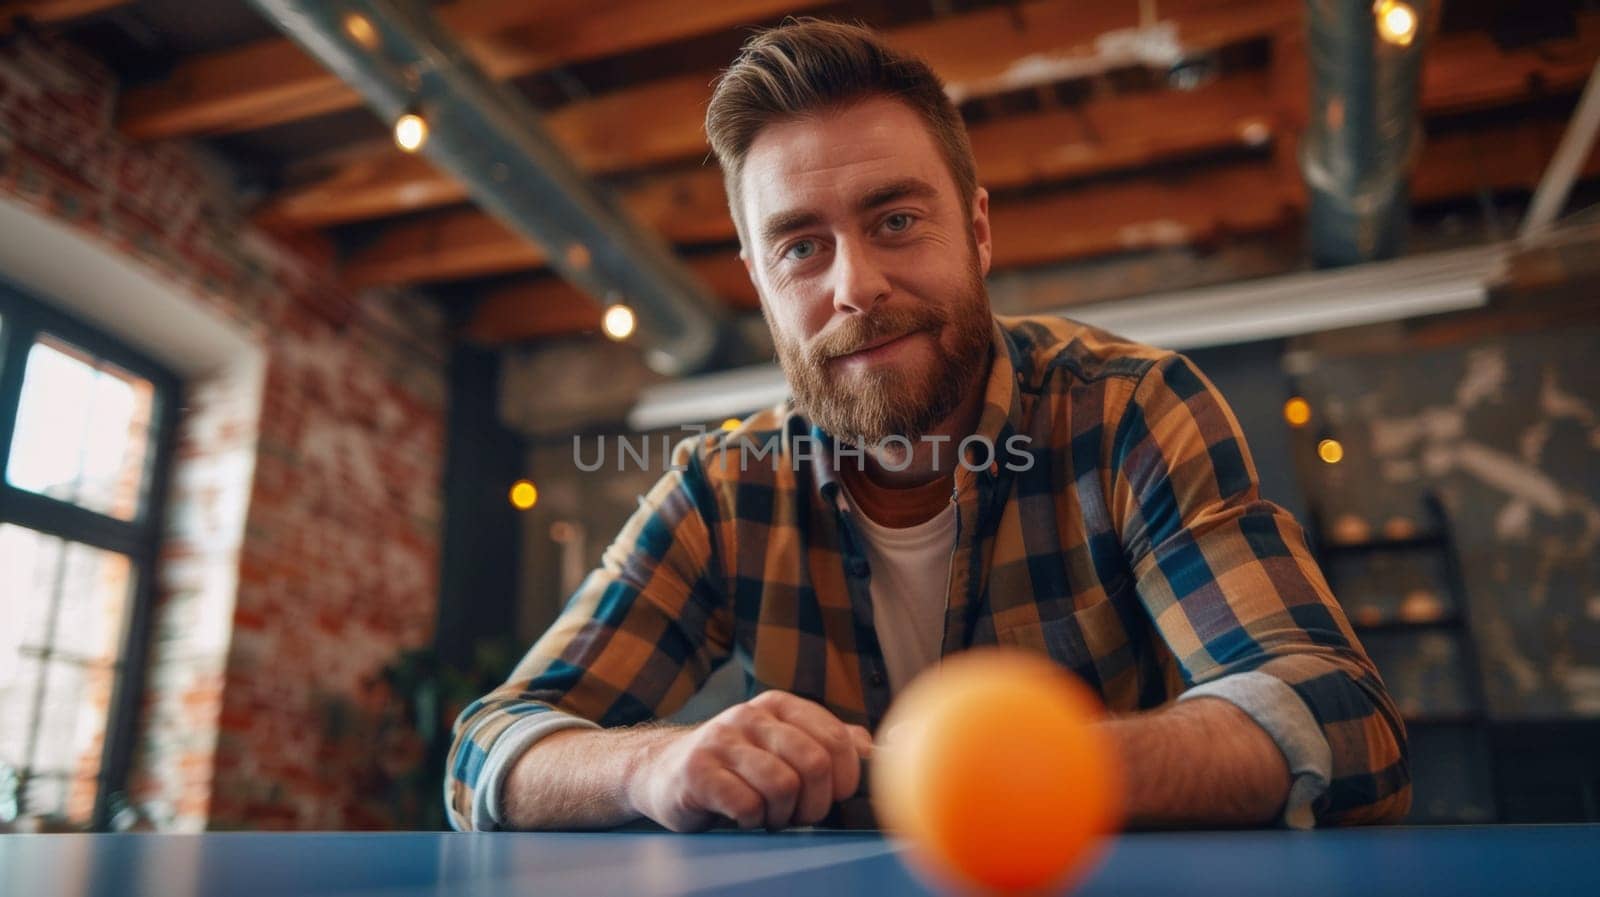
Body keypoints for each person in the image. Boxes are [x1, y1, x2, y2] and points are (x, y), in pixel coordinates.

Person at [445, 19, 1410, 834]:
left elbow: (1343, 720)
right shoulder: (721, 491)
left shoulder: (1129, 413)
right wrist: (648, 768)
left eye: (896, 220)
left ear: (978, 230)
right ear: (758, 280)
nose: (854, 284)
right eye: (801, 246)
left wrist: (1024, 769)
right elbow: (488, 749)